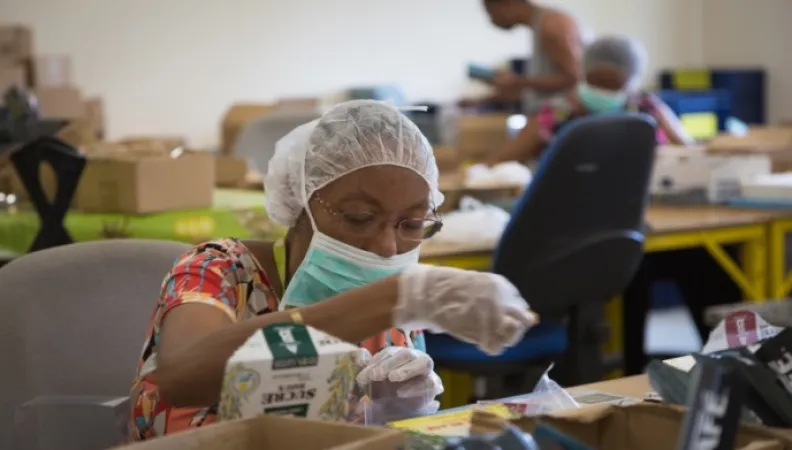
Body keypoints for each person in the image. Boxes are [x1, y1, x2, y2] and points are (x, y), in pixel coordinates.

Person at [129, 100, 539, 440]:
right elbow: (182, 376)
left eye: (413, 224)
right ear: (299, 205)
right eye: (359, 217)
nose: (386, 247)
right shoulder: (219, 270)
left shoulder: (394, 304)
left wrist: (393, 421)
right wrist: (393, 298)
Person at [486, 35, 694, 166]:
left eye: (614, 84)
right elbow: (506, 157)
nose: (604, 90)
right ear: (584, 74)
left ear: (632, 80)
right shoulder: (557, 112)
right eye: (598, 81)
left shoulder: (647, 108)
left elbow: (689, 152)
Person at [461, 0, 586, 114]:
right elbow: (540, 91)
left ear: (508, 4)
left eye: (490, 11)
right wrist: (485, 100)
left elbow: (572, 78)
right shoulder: (541, 24)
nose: (491, 20)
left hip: (561, 116)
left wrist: (519, 81)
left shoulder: (551, 25)